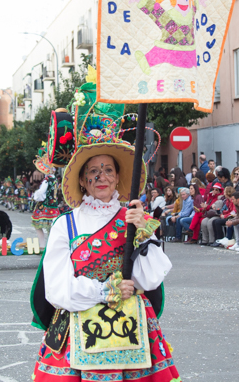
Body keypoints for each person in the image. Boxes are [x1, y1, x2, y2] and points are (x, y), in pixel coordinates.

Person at [30, 147, 179, 380]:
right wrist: (104, 291)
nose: (102, 177)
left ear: (118, 178)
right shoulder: (65, 225)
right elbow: (57, 288)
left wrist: (144, 230)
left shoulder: (134, 219)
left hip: (131, 328)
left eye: (109, 170)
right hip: (78, 328)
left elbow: (150, 278)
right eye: (93, 171)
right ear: (82, 179)